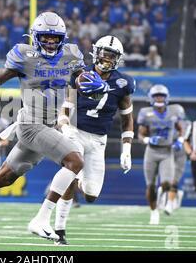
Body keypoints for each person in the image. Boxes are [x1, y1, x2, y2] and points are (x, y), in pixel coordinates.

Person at [0, 12, 105, 242]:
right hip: (29, 124)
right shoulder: (24, 56)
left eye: (55, 39)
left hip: (47, 126)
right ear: (35, 37)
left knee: (4, 177)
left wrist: (92, 82)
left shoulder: (71, 55)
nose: (51, 43)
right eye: (46, 38)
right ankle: (41, 219)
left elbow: (79, 79)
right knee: (75, 161)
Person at [45, 35, 135, 245]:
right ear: (96, 52)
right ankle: (59, 230)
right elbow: (66, 106)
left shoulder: (123, 83)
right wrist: (65, 124)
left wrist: (127, 149)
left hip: (98, 141)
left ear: (118, 59)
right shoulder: (80, 75)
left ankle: (76, 177)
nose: (106, 58)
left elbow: (127, 119)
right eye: (104, 53)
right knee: (71, 169)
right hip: (75, 132)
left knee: (91, 195)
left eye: (111, 55)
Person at [137, 84, 185, 224]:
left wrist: (180, 140)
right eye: (156, 96)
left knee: (167, 183)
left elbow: (181, 128)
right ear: (151, 98)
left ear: (166, 97)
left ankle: (161, 196)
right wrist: (147, 139)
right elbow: (140, 134)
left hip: (167, 151)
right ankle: (153, 212)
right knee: (150, 185)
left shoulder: (174, 111)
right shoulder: (146, 113)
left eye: (161, 96)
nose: (159, 98)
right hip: (151, 151)